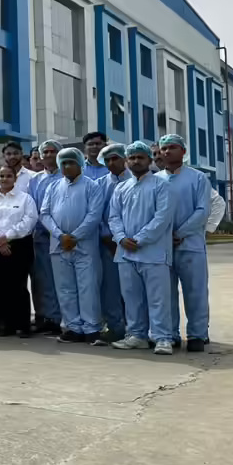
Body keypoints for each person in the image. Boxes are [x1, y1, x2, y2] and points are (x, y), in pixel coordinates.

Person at [108, 141, 175, 354]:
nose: (136, 161)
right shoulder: (121, 188)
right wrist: (120, 238)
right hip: (125, 253)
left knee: (158, 298)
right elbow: (113, 217)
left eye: (140, 157)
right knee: (132, 298)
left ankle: (162, 338)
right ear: (127, 161)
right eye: (132, 157)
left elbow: (162, 218)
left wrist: (139, 239)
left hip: (153, 253)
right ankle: (137, 335)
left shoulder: (161, 186)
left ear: (149, 160)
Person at [40, 147, 104, 344]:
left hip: (84, 247)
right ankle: (73, 327)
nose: (67, 166)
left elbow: (94, 215)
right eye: (64, 163)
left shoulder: (92, 186)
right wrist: (61, 236)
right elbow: (45, 214)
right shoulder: (53, 187)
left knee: (88, 288)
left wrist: (75, 237)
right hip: (59, 245)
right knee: (65, 288)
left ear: (80, 164)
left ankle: (91, 328)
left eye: (71, 162)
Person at [157, 134, 212, 351]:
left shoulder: (198, 178)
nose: (167, 151)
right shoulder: (156, 180)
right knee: (166, 293)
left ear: (183, 151)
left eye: (172, 147)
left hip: (190, 245)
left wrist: (181, 232)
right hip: (162, 247)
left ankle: (198, 334)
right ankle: (170, 334)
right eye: (164, 148)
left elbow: (202, 210)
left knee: (195, 292)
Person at [0, 165, 38, 336]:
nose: (5, 179)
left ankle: (23, 324)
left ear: (15, 178)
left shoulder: (25, 199)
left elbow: (29, 220)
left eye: (8, 176)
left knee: (18, 285)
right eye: (1, 176)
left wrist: (8, 236)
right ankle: (3, 323)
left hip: (19, 246)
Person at [96, 143, 131, 344]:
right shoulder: (100, 184)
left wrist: (125, 238)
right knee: (110, 288)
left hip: (133, 243)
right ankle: (115, 327)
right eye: (107, 160)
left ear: (124, 158)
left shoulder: (136, 180)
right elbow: (96, 213)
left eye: (115, 158)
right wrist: (108, 237)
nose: (111, 163)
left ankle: (137, 329)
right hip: (107, 244)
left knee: (134, 289)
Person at [29, 140, 64, 334]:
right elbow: (32, 208)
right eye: (46, 152)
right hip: (42, 235)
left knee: (63, 279)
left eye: (53, 152)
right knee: (44, 279)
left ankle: (66, 319)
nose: (49, 155)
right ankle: (48, 317)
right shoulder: (35, 180)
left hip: (64, 236)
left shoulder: (66, 175)